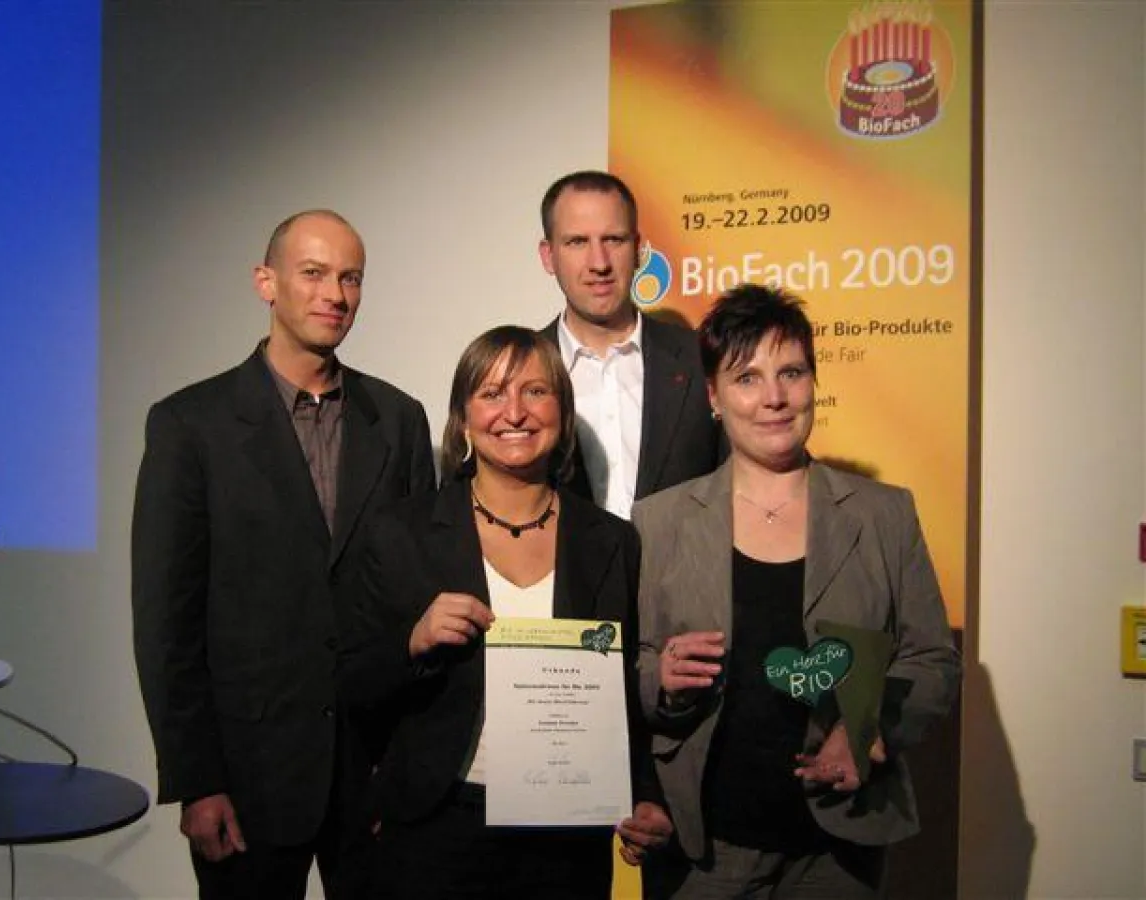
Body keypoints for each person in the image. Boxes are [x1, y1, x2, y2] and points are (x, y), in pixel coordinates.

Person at [131, 209, 436, 899]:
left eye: (351, 277)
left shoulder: (399, 419)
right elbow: (166, 623)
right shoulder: (190, 426)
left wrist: (414, 767)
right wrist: (196, 781)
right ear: (266, 282)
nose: (336, 293)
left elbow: (415, 600)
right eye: (315, 273)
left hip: (375, 779)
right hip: (247, 779)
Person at [631, 283, 961, 898]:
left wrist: (866, 727)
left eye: (792, 372)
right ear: (713, 396)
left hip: (837, 851)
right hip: (702, 848)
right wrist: (662, 678)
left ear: (814, 380)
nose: (775, 398)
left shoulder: (884, 514)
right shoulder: (660, 521)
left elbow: (933, 659)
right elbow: (634, 671)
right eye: (747, 378)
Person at [339, 326, 673, 900]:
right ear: (463, 419)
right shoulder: (402, 533)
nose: (514, 412)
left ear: (563, 415)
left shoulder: (612, 541)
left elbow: (623, 689)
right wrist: (413, 642)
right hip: (436, 827)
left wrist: (645, 793)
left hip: (569, 831)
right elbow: (351, 679)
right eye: (491, 394)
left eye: (535, 392)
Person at [538, 170, 722, 518]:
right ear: (548, 256)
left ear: (638, 249)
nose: (599, 263)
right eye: (577, 242)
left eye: (614, 240)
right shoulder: (515, 371)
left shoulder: (702, 360)